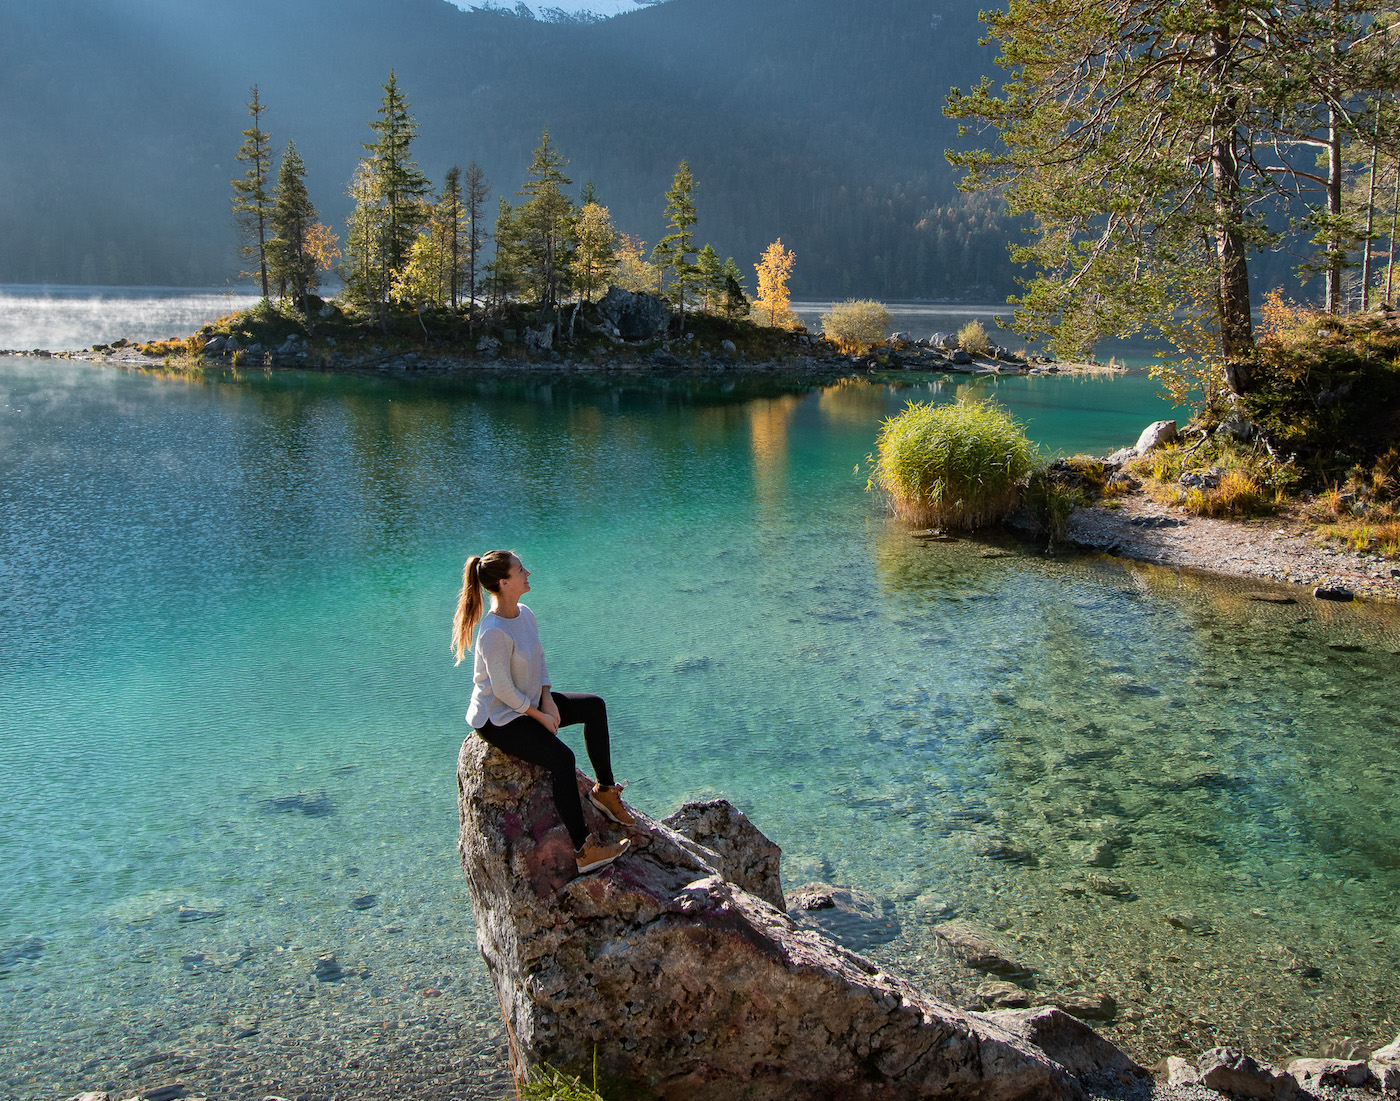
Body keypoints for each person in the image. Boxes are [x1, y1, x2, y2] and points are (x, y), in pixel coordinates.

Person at [452, 549, 634, 876]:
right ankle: (584, 851)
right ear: (504, 583)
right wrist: (540, 718)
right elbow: (504, 691)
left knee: (595, 706)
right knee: (563, 760)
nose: (528, 574)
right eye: (521, 570)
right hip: (499, 719)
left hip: (533, 701)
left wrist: (548, 699)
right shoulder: (493, 632)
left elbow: (539, 660)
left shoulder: (525, 613)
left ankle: (604, 791)